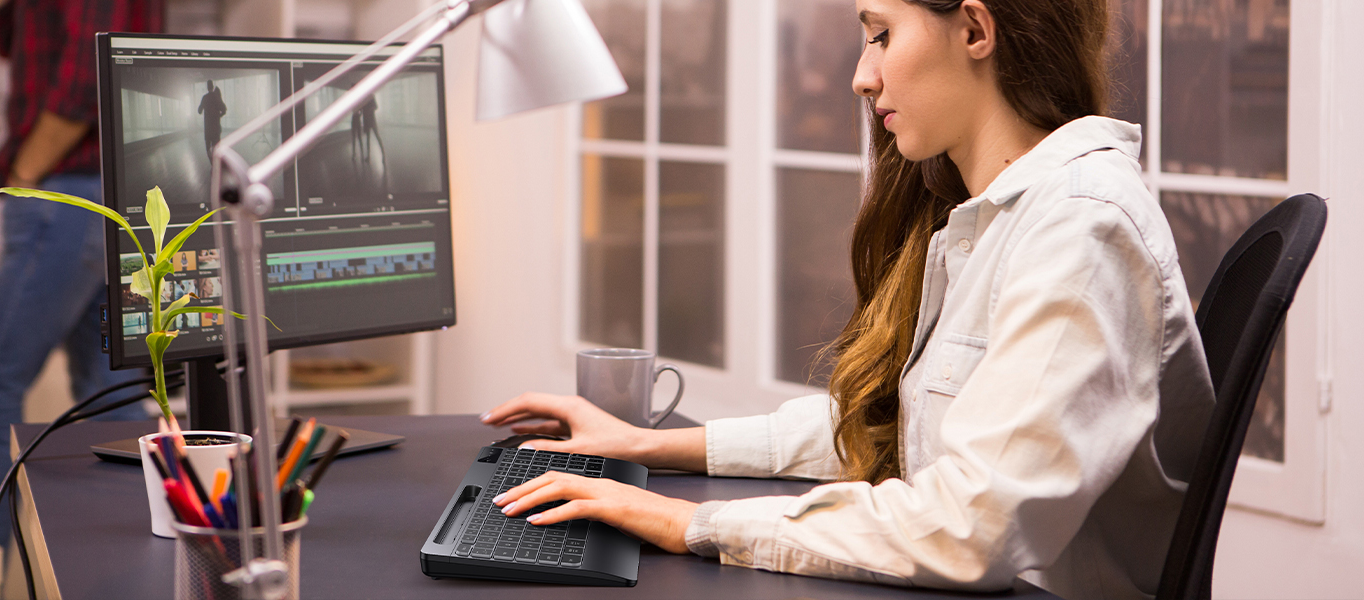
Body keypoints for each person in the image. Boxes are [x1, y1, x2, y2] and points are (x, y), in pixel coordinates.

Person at [478, 1, 1214, 598]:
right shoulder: (993, 218)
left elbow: (968, 529)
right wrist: (647, 447)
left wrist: (688, 523)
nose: (862, 77)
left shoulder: (1079, 227)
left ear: (976, 30)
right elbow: (896, 430)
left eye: (883, 35)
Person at [0, 0, 163, 538]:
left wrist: (26, 171)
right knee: (113, 398)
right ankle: (142, 576)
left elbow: (82, 81)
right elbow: (32, 50)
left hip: (68, 197)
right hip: (110, 196)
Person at [198, 79, 228, 157]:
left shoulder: (204, 98)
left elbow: (199, 111)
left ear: (207, 87)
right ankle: (216, 163)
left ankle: (212, 163)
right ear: (213, 86)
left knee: (208, 148)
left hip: (208, 128)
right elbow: (224, 110)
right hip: (216, 127)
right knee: (216, 147)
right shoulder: (217, 97)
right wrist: (218, 116)